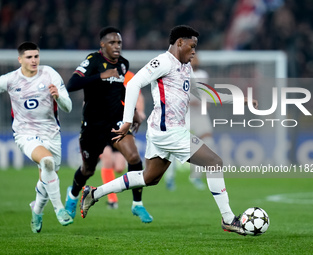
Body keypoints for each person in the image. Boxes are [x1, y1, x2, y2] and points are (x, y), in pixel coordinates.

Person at [80, 25, 258, 235]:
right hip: (169, 132)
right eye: (192, 47)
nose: (194, 52)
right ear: (179, 43)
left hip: (163, 131)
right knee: (215, 162)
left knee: (149, 178)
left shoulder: (186, 67)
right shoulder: (163, 61)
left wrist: (239, 98)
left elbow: (202, 92)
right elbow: (135, 83)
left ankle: (94, 193)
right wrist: (127, 120)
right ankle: (228, 219)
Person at [65, 27, 153, 223]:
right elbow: (71, 85)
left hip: (115, 121)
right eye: (112, 43)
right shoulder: (92, 61)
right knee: (88, 170)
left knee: (134, 158)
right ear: (102, 45)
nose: (117, 46)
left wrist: (135, 113)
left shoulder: (123, 64)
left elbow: (119, 90)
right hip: (93, 126)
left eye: (119, 43)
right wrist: (100, 76)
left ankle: (137, 204)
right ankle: (72, 196)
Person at [0, 41, 73, 233]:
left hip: (52, 134)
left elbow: (68, 107)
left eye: (36, 56)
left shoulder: (49, 74)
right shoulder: (10, 80)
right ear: (20, 59)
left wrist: (59, 97)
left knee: (47, 178)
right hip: (25, 134)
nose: (34, 60)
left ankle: (37, 210)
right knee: (47, 161)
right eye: (29, 57)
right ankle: (59, 210)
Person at [164, 54, 213, 191]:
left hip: (199, 113)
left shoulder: (203, 74)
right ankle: (169, 177)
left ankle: (196, 176)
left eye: (197, 57)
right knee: (175, 145)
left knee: (206, 142)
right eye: (193, 57)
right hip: (184, 113)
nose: (196, 59)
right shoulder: (179, 73)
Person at [100, 70, 146, 209]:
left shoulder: (129, 76)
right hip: (102, 123)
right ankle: (112, 200)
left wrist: (140, 112)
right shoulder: (100, 73)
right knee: (107, 159)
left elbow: (139, 97)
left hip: (121, 124)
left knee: (119, 167)